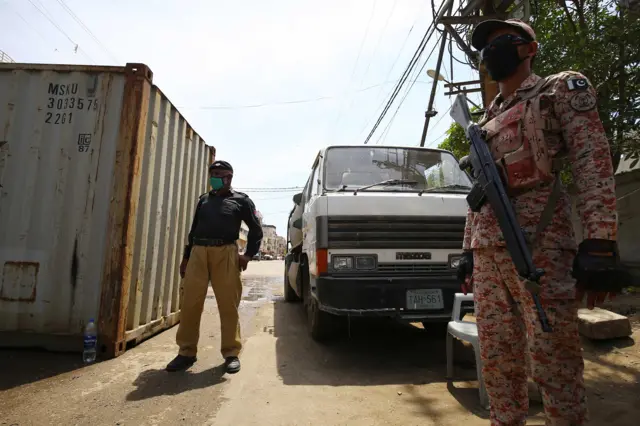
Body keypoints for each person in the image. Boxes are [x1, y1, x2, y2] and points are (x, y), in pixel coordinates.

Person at [456, 18, 625, 426]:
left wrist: (600, 240)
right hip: (489, 255)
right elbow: (480, 194)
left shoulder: (558, 90)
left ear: (529, 49)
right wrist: (466, 253)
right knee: (498, 359)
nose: (491, 51)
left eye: (504, 42)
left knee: (554, 361)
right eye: (486, 47)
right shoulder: (486, 119)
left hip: (541, 246)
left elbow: (592, 161)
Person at [166, 160, 263, 374]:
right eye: (212, 174)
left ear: (229, 177)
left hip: (226, 253)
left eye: (219, 174)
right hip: (198, 253)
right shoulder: (203, 201)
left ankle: (231, 353)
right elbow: (193, 231)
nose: (214, 178)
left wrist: (247, 255)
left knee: (228, 305)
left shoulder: (241, 201)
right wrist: (186, 258)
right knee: (190, 303)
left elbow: (256, 230)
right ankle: (186, 353)